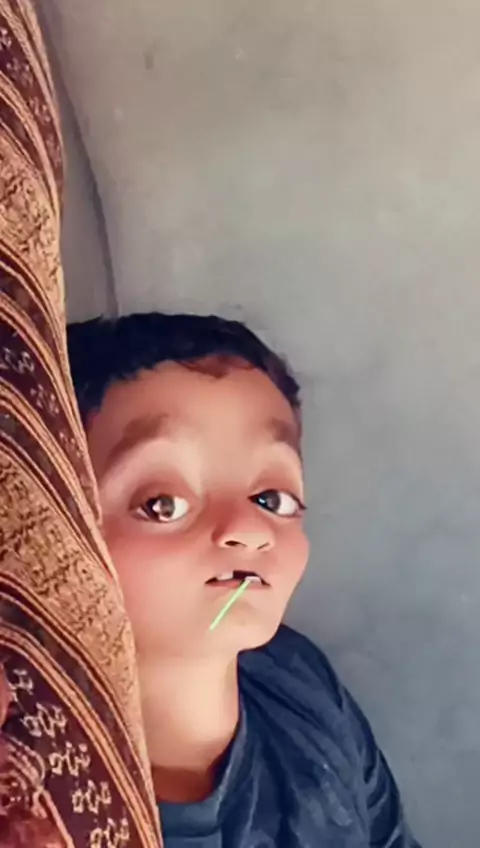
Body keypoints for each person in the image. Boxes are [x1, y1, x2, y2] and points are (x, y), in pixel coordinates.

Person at [67, 312, 422, 847]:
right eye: (163, 504)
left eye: (271, 498)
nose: (249, 530)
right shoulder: (44, 809)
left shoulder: (297, 681)